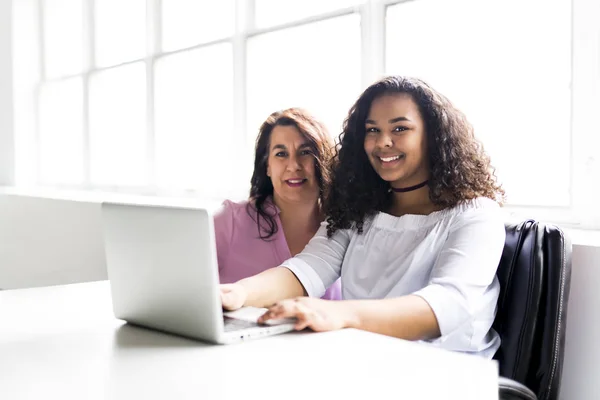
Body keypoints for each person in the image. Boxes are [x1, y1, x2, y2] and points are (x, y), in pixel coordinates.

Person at [220, 76, 506, 358]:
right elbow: (309, 268)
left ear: (432, 136)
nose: (383, 142)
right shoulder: (361, 211)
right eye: (372, 130)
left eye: (400, 128)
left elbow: (449, 304)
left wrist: (341, 314)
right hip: (365, 361)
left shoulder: (476, 215)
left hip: (445, 372)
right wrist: (239, 293)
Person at [214, 108, 341, 300]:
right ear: (267, 166)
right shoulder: (229, 220)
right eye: (281, 154)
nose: (293, 165)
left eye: (305, 152)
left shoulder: (345, 229)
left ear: (323, 160)